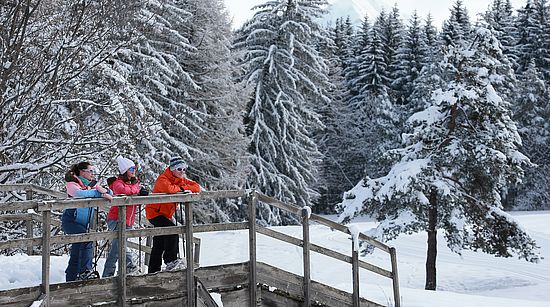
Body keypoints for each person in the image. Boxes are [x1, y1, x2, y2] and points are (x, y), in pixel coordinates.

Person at [145, 156, 200, 273]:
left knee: (159, 241)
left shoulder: (180, 180)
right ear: (172, 169)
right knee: (172, 230)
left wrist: (182, 187)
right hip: (155, 213)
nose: (182, 172)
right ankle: (170, 261)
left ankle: (153, 269)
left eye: (184, 169)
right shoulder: (162, 179)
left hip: (165, 215)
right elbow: (169, 189)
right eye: (179, 169)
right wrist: (182, 188)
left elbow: (196, 187)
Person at [61, 162, 113, 282]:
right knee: (85, 240)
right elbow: (79, 194)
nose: (92, 174)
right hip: (71, 221)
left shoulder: (92, 185)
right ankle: (80, 273)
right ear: (82, 172)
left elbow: (109, 193)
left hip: (84, 223)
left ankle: (77, 275)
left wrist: (103, 190)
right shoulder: (72, 184)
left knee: (81, 245)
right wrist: (98, 192)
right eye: (90, 171)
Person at [102, 156, 149, 277]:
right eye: (131, 168)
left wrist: (141, 195)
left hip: (128, 220)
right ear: (125, 170)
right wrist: (137, 190)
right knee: (121, 245)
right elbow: (124, 191)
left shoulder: (133, 184)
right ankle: (129, 267)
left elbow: (133, 200)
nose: (134, 171)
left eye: (134, 168)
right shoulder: (117, 183)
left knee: (117, 249)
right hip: (116, 219)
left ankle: (108, 275)